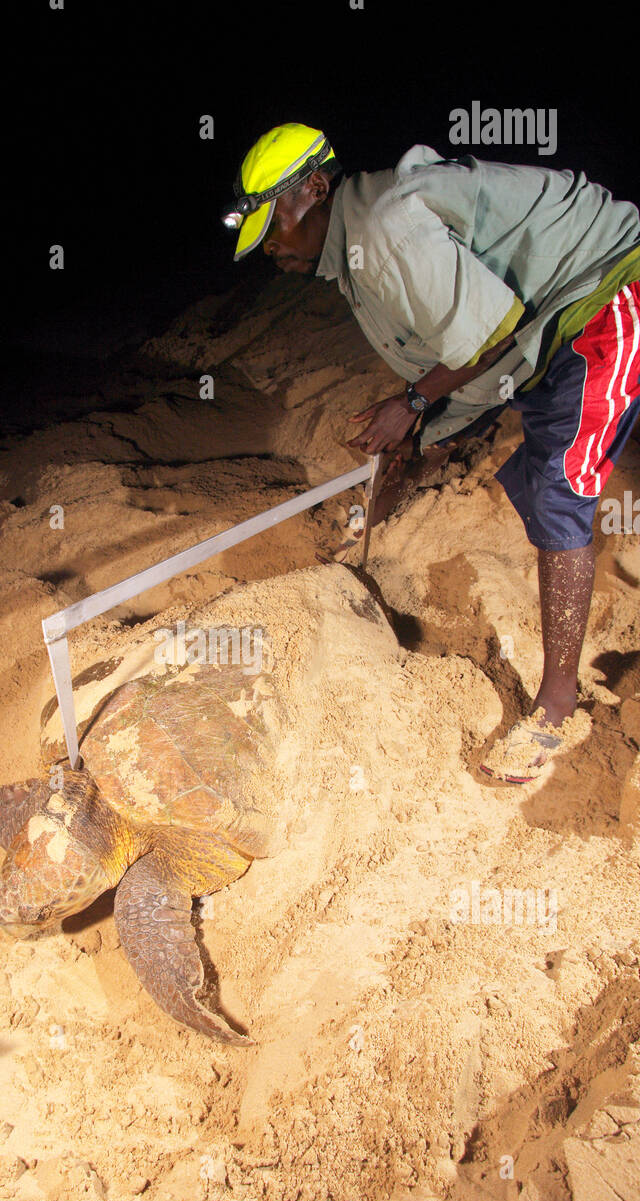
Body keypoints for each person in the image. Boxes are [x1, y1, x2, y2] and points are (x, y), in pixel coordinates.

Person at [222, 123, 640, 782]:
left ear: (316, 187)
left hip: (603, 291)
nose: (272, 247)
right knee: (536, 488)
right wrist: (426, 445)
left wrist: (411, 406)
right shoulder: (359, 262)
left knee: (562, 487)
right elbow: (470, 366)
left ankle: (556, 711)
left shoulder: (385, 232)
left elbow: (490, 337)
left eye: (275, 225)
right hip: (543, 329)